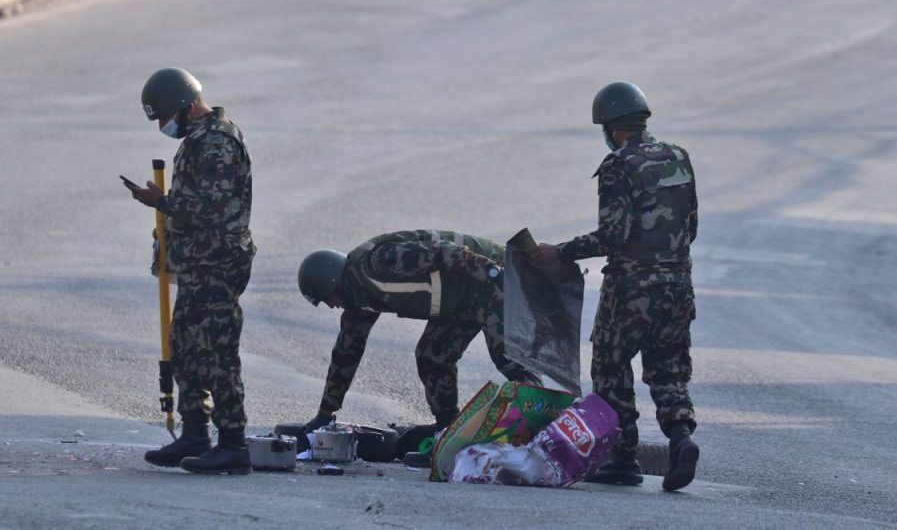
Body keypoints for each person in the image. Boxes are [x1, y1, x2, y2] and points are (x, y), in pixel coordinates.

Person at [529, 81, 700, 491]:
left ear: (610, 126)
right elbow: (691, 226)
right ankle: (681, 438)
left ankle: (622, 457)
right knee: (667, 367)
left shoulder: (618, 166)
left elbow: (613, 235)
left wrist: (561, 252)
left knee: (610, 366)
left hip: (631, 288)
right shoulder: (679, 157)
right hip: (678, 284)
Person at [126, 67, 256, 475]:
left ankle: (233, 443)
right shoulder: (199, 139)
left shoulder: (217, 143)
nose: (164, 127)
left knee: (217, 351)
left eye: (165, 118)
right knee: (184, 344)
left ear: (185, 105)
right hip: (198, 263)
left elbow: (214, 210)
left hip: (219, 264)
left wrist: (162, 203)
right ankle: (195, 433)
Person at [296, 230, 540, 432]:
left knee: (508, 356)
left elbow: (445, 253)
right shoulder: (359, 301)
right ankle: (447, 428)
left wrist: (494, 273)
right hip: (461, 299)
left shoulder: (380, 262)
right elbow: (345, 354)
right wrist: (325, 414)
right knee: (432, 355)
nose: (332, 305)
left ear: (334, 283)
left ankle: (539, 413)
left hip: (490, 276)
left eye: (328, 298)